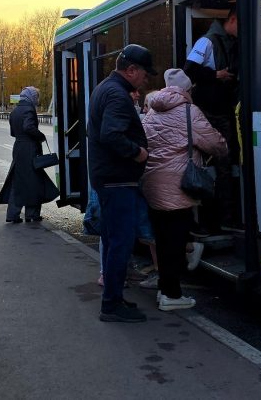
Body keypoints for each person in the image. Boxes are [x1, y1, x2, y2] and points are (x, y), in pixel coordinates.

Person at [140, 69, 226, 310]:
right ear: (187, 90)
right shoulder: (190, 112)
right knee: (176, 242)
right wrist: (225, 149)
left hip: (152, 186)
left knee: (163, 239)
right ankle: (172, 295)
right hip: (178, 188)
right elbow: (214, 143)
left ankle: (164, 290)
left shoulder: (152, 113)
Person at [88, 43, 156, 322]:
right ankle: (111, 304)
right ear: (131, 70)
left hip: (109, 178)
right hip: (117, 180)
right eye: (144, 74)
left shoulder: (106, 87)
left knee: (112, 238)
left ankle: (113, 299)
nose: (146, 79)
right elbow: (112, 135)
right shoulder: (117, 94)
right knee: (120, 242)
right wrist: (139, 152)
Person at [183, 8, 240, 234]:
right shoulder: (206, 42)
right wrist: (217, 75)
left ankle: (225, 218)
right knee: (210, 168)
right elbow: (190, 69)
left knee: (225, 167)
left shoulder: (231, 42)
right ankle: (210, 221)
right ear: (232, 19)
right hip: (209, 112)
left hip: (223, 111)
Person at [0, 86, 59, 223]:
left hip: (18, 148)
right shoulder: (29, 109)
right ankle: (32, 214)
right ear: (31, 97)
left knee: (18, 182)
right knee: (34, 182)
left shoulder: (15, 111)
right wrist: (40, 136)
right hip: (29, 148)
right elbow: (28, 127)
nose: (37, 99)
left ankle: (12, 214)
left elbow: (13, 132)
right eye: (36, 97)